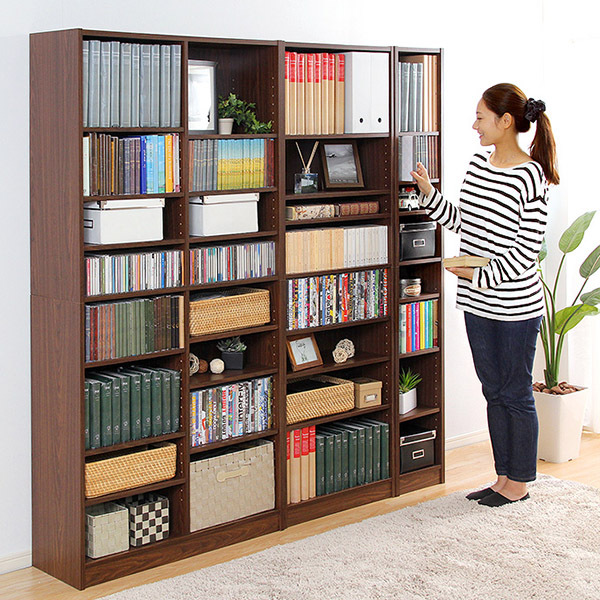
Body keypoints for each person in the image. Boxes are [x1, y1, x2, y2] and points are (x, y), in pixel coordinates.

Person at [411, 83, 559, 507]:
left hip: (515, 308)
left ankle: (520, 483)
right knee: (492, 390)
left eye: (480, 117)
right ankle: (502, 477)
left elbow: (525, 253)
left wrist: (476, 275)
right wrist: (430, 195)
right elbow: (464, 223)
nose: (474, 125)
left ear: (505, 120)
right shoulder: (478, 164)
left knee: (515, 393)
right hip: (477, 303)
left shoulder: (531, 177)